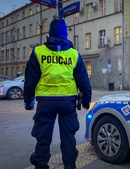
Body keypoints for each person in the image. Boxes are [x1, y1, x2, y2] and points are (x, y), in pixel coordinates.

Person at [24, 19, 91, 169]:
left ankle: (41, 165)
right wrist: (86, 100)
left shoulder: (39, 52)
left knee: (43, 138)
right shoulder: (74, 54)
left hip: (45, 103)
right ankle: (70, 166)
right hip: (68, 103)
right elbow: (83, 80)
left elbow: (30, 80)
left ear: (50, 34)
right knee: (68, 138)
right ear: (65, 34)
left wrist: (28, 101)